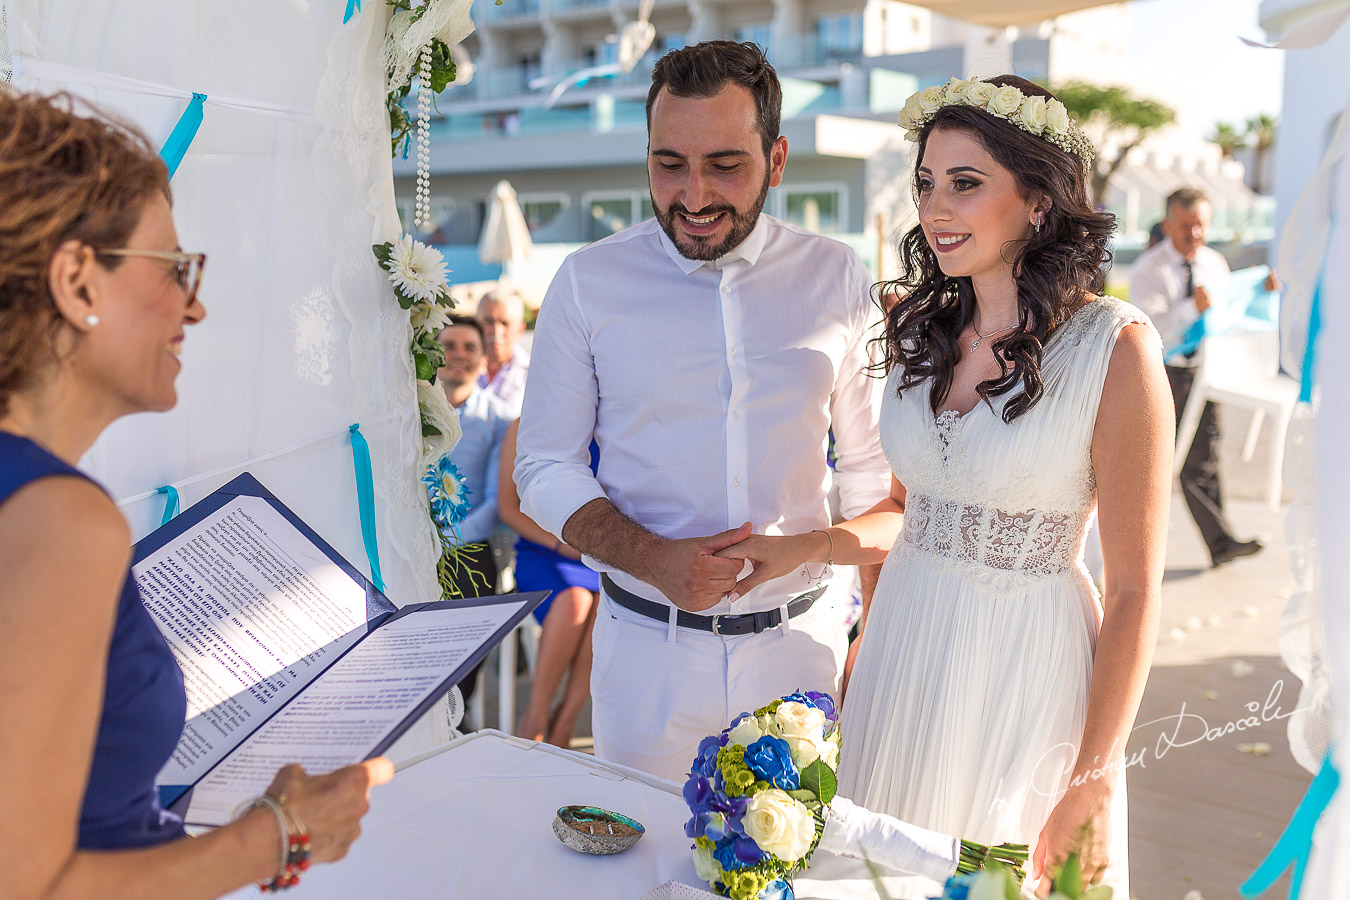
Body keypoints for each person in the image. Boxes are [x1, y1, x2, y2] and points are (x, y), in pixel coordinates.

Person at [736, 76, 1170, 898]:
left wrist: (1094, 774)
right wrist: (813, 546)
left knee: (997, 873)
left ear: (1039, 199)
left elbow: (1139, 590)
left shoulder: (1116, 349)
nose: (936, 207)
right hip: (903, 640)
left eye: (966, 184)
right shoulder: (916, 333)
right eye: (927, 182)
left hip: (1024, 663)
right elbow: (913, 514)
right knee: (876, 871)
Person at [0, 90, 391, 900]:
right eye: (174, 269)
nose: (196, 304)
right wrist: (283, 834)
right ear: (78, 281)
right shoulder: (61, 519)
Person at [514, 40, 895, 782]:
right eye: (669, 165)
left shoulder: (839, 276)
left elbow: (872, 476)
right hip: (643, 660)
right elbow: (544, 467)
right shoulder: (587, 283)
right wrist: (652, 558)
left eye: (725, 165)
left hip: (800, 651)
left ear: (776, 160)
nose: (693, 195)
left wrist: (872, 638)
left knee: (793, 886)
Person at [1131, 187, 1262, 566]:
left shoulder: (1215, 264)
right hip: (1163, 374)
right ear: (1169, 224)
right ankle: (1133, 548)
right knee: (1155, 463)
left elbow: (1233, 312)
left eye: (1201, 225)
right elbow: (1149, 329)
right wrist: (1192, 308)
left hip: (1206, 373)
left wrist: (1260, 292)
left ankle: (1221, 542)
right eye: (1186, 226)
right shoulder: (1148, 270)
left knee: (1205, 455)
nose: (1195, 234)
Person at [498, 420, 599, 747]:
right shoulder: (523, 427)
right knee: (576, 601)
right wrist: (561, 545)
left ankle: (565, 721)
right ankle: (536, 715)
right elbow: (507, 509)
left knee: (606, 607)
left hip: (593, 553)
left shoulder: (613, 428)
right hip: (543, 550)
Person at [475, 288, 530, 415]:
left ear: (520, 329)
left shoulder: (533, 374)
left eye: (505, 324)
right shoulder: (455, 366)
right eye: (488, 322)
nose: (496, 331)